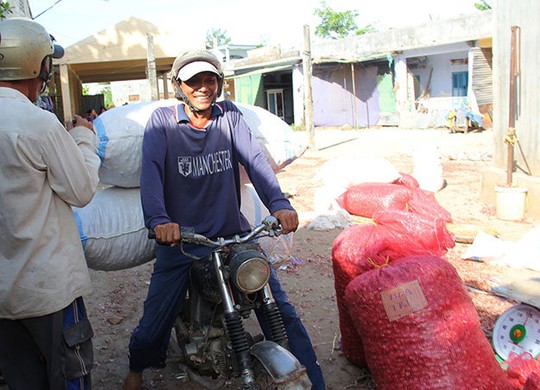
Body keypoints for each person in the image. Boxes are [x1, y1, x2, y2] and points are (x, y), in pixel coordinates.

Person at [122, 49, 326, 390]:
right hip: (184, 242)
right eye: (193, 82)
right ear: (179, 86)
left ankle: (316, 384)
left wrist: (279, 202)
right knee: (154, 322)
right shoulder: (163, 122)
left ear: (218, 83)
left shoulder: (229, 116)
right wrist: (159, 220)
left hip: (235, 237)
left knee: (280, 311)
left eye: (209, 80)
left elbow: (256, 162)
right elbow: (152, 174)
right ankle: (135, 370)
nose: (203, 87)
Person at [0, 17, 101, 389]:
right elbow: (82, 189)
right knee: (69, 377)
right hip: (49, 294)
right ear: (36, 65)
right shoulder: (38, 124)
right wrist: (84, 139)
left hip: (4, 300)